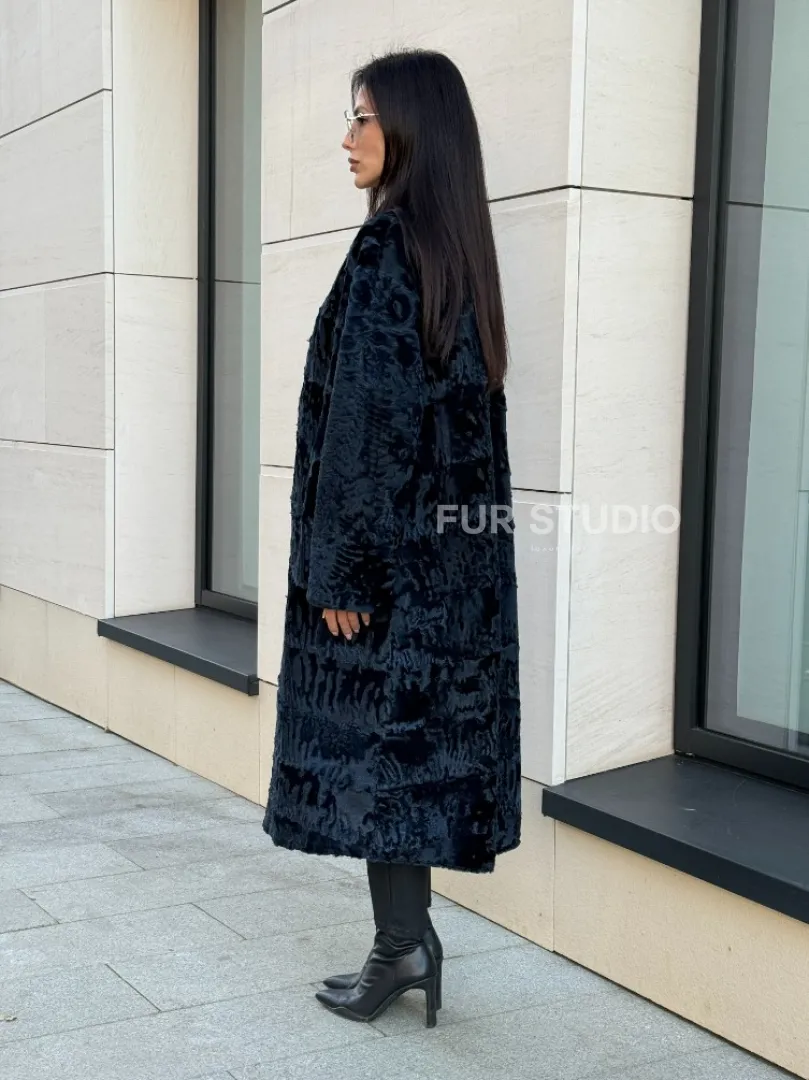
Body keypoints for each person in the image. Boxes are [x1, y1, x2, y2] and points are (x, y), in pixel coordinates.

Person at [262, 47, 521, 1029]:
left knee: (380, 760)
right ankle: (402, 945)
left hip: (385, 573)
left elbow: (365, 431)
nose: (346, 138)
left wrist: (341, 571)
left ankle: (400, 948)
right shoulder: (451, 253)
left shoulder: (387, 250)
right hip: (444, 574)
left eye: (361, 118)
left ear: (411, 128)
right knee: (404, 762)